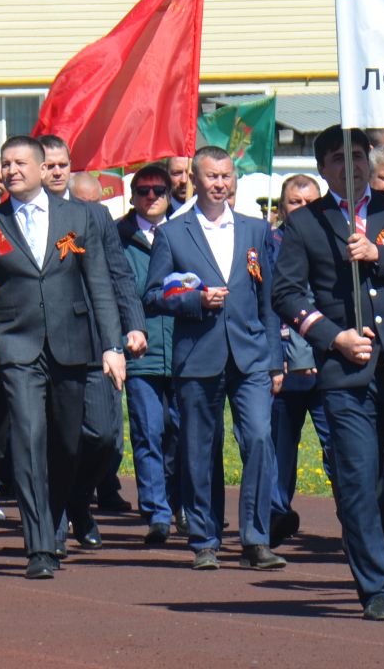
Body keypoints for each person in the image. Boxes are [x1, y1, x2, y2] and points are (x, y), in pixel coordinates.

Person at [270, 125, 384, 621]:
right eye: (339, 160)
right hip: (346, 374)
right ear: (324, 169)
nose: (353, 167)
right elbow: (285, 294)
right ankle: (374, 585)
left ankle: (376, 541)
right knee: (356, 481)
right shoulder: (307, 224)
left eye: (360, 157)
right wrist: (331, 336)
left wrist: (382, 255)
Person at [0, 135, 125, 581]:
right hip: (17, 345)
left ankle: (54, 518)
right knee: (29, 437)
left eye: (19, 163)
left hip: (72, 344)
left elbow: (100, 285)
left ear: (38, 168)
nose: (11, 171)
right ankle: (39, 546)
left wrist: (113, 346)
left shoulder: (77, 217)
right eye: (5, 164)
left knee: (69, 444)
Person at [143, 145, 283, 571]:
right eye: (212, 176)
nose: (220, 184)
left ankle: (256, 538)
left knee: (259, 438)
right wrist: (195, 300)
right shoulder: (173, 232)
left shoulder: (256, 230)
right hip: (198, 355)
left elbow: (269, 299)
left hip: (251, 354)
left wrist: (275, 359)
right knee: (201, 448)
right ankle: (205, 538)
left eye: (226, 176)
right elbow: (152, 295)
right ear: (195, 180)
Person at [36, 133, 145, 546]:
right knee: (53, 438)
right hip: (45, 342)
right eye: (48, 164)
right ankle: (55, 521)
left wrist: (133, 325)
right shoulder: (17, 216)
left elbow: (119, 274)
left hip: (95, 339)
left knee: (103, 436)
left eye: (62, 164)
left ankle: (79, 499)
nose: (56, 171)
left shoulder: (94, 216)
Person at [266, 173, 328, 550]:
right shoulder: (268, 244)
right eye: (294, 202)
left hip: (326, 365)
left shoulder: (335, 243)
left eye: (310, 203)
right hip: (284, 368)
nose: (303, 210)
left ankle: (354, 520)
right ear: (281, 207)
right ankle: (275, 515)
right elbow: (268, 306)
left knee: (339, 448)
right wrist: (275, 359)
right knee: (278, 451)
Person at [118, 163, 178, 545]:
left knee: (183, 434)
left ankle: (182, 503)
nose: (151, 197)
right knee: (147, 432)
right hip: (140, 352)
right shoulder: (117, 237)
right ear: (132, 196)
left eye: (158, 190)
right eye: (143, 190)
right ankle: (157, 511)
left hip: (185, 349)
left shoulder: (186, 232)